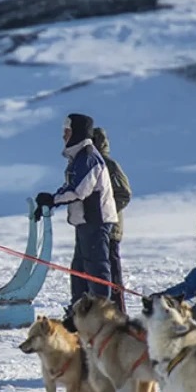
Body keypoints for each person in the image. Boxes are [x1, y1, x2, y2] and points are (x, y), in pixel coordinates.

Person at [34, 113, 117, 304]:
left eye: (67, 132)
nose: (64, 136)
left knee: (95, 268)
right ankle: (78, 311)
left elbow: (79, 190)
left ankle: (101, 311)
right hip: (86, 221)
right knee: (79, 269)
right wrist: (49, 200)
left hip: (96, 221)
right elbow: (70, 186)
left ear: (77, 133)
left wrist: (53, 200)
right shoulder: (79, 157)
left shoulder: (88, 157)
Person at [92, 126, 131, 313]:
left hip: (111, 229)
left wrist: (105, 212)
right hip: (95, 228)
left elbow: (124, 193)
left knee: (112, 271)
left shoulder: (108, 164)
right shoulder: (89, 163)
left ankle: (120, 312)